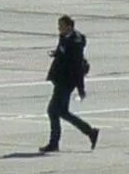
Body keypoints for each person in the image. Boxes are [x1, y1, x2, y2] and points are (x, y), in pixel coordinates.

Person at [39, 14, 98, 152]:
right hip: (60, 78)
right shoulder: (65, 37)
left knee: (53, 111)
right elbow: (63, 53)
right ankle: (90, 132)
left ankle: (54, 143)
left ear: (69, 27)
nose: (59, 29)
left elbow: (77, 66)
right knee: (62, 112)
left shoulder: (75, 42)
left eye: (61, 26)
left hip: (66, 81)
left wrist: (81, 88)